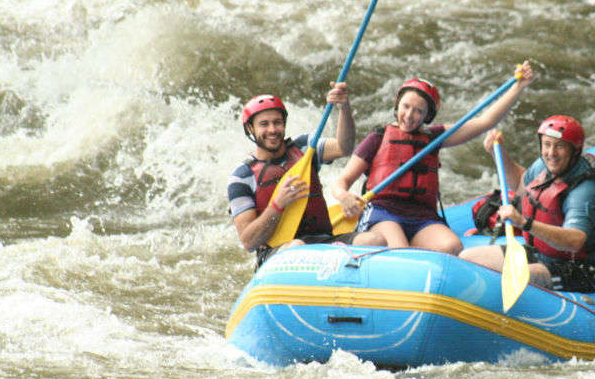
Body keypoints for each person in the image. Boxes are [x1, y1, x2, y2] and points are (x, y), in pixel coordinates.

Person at [332, 61, 535, 255]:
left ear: (427, 116)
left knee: (452, 246)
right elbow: (342, 181)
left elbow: (485, 121)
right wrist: (344, 196)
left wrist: (518, 87)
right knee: (399, 251)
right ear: (397, 105)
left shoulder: (435, 137)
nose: (410, 115)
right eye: (406, 107)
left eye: (419, 111)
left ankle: (413, 243)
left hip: (421, 216)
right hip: (384, 212)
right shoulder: (377, 137)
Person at [459, 116, 595, 293]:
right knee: (468, 258)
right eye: (547, 144)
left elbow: (575, 241)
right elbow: (520, 184)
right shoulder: (544, 165)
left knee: (520, 277)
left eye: (560, 146)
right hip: (545, 255)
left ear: (574, 150)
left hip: (588, 269)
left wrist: (525, 223)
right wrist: (499, 154)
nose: (551, 153)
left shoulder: (586, 189)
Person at [227, 84, 384, 267]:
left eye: (277, 122)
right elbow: (249, 241)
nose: (272, 130)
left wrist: (344, 107)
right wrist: (277, 205)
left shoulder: (305, 148)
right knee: (298, 247)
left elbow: (344, 147)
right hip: (278, 250)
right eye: (264, 124)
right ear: (250, 129)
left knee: (376, 241)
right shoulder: (241, 177)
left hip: (324, 241)